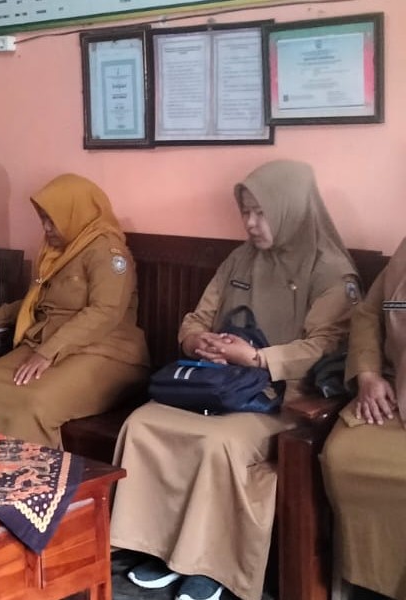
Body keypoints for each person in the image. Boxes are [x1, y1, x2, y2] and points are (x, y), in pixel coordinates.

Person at [110, 160, 360, 600]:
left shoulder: (331, 270)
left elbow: (326, 347)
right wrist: (197, 341)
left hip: (283, 399)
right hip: (220, 386)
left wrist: (257, 358)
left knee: (217, 443)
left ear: (290, 208)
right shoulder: (241, 258)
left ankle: (212, 567)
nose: (251, 223)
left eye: (262, 212)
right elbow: (197, 317)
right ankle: (156, 547)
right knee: (143, 423)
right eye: (246, 212)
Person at [0, 173, 150, 448]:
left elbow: (105, 312)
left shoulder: (107, 252)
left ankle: (32, 473)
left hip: (106, 353)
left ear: (76, 213)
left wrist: (47, 353)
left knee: (35, 401)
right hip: (47, 344)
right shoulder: (57, 251)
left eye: (52, 220)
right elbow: (36, 301)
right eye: (43, 219)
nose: (47, 228)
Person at [321, 237, 406, 600]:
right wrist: (368, 375)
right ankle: (366, 584)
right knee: (342, 454)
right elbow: (369, 314)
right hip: (396, 394)